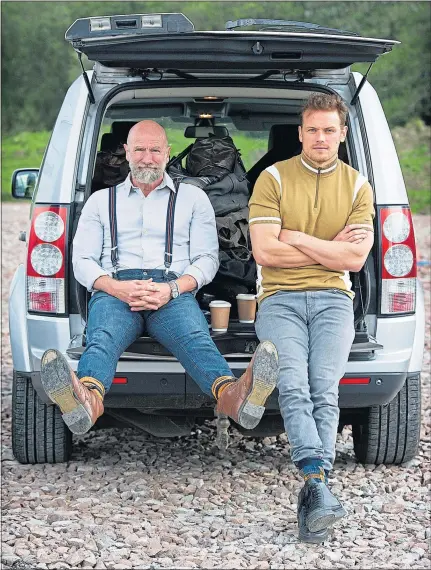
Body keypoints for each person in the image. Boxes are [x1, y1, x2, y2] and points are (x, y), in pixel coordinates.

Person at [39, 120, 278, 438]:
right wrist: (115, 287)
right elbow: (81, 260)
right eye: (139, 149)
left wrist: (172, 289)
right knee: (101, 340)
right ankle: (86, 402)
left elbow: (207, 259)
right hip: (115, 291)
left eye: (155, 150)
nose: (147, 158)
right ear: (126, 152)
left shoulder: (193, 199)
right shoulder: (100, 202)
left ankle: (235, 399)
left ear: (167, 153)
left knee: (196, 341)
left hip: (173, 292)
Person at [249, 93, 374, 543]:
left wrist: (296, 237)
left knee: (324, 387)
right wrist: (330, 247)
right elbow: (264, 252)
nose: (320, 138)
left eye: (329, 130)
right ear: (300, 133)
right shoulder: (272, 179)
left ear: (342, 134)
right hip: (279, 298)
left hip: (333, 300)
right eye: (312, 130)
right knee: (294, 384)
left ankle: (315, 485)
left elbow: (356, 259)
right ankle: (318, 483)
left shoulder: (359, 186)